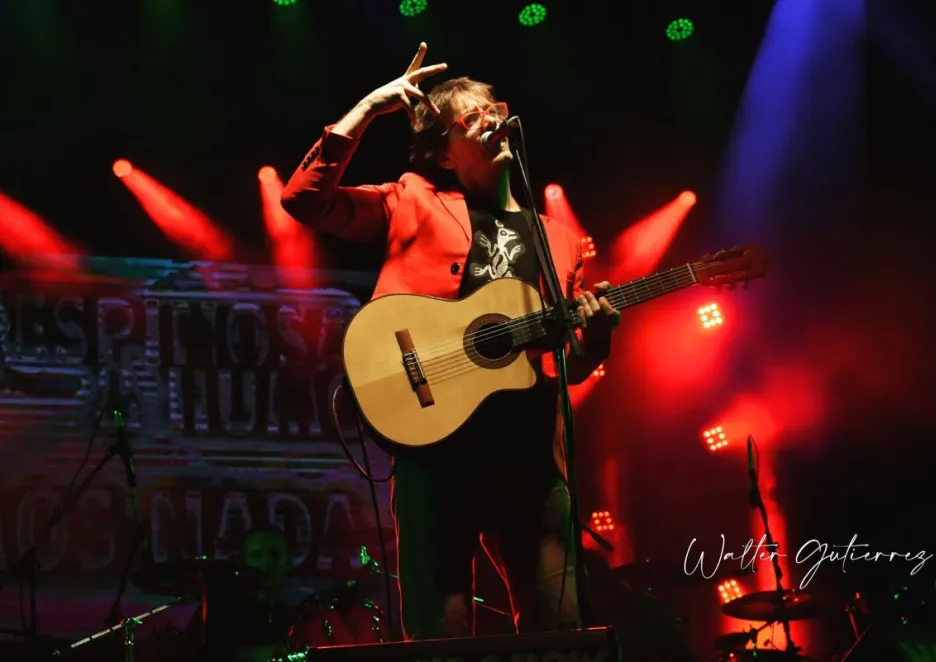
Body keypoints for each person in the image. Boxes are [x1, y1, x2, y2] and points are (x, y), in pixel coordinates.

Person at [281, 43, 619, 639]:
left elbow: (566, 364)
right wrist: (367, 109)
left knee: (562, 626)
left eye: (495, 107)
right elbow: (304, 200)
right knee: (442, 627)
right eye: (471, 116)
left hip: (529, 451)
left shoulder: (557, 238)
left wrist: (597, 339)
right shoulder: (416, 199)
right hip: (436, 439)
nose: (491, 117)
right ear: (443, 152)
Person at [184, 526, 296, 661]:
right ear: (243, 562)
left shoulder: (292, 616)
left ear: (289, 562)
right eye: (257, 554)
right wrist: (251, 654)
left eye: (274, 554)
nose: (266, 562)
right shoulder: (217, 609)